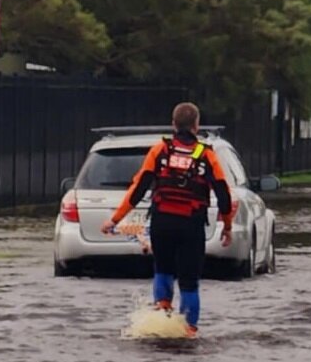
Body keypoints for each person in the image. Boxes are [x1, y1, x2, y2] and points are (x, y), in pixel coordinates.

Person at [100, 102, 234, 337]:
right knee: (189, 283)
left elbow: (138, 189)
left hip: (162, 223)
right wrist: (228, 227)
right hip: (191, 226)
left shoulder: (159, 151)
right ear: (196, 126)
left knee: (163, 270)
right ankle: (188, 332)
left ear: (174, 125)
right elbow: (224, 195)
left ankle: (162, 312)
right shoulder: (207, 155)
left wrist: (115, 219)